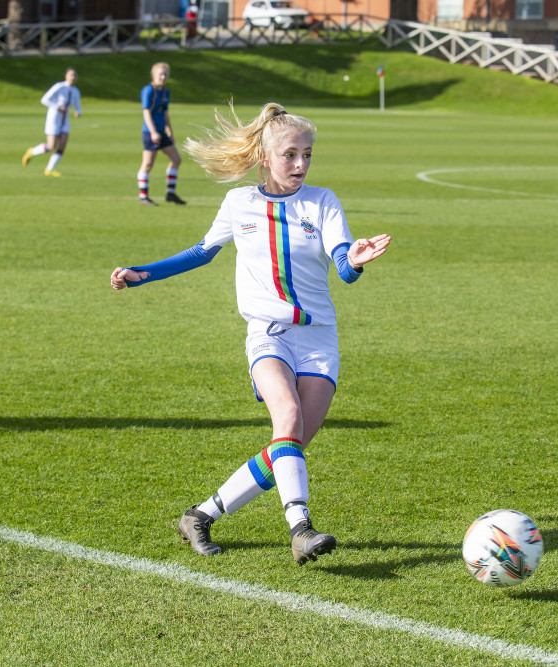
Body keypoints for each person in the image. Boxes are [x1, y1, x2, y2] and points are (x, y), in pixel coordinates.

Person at [111, 102, 391, 565]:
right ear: (265, 156)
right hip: (268, 333)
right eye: (290, 155)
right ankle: (300, 527)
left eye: (307, 155)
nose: (300, 164)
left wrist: (356, 260)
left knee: (291, 443)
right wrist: (144, 273)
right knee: (287, 419)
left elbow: (344, 267)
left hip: (319, 338)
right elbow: (201, 253)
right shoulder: (240, 203)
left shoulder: (323, 202)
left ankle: (199, 516)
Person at [138, 62, 186, 206]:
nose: (163, 77)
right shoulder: (148, 90)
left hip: (162, 132)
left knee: (176, 159)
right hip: (150, 132)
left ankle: (170, 193)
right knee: (147, 164)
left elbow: (165, 112)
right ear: (154, 75)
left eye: (165, 74)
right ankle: (143, 196)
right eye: (160, 74)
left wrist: (169, 130)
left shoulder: (165, 92)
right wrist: (153, 132)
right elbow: (146, 112)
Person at [22, 67, 82, 177]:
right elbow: (44, 100)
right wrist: (57, 107)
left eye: (75, 75)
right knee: (51, 146)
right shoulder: (59, 87)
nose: (73, 77)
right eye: (71, 75)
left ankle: (49, 169)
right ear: (66, 76)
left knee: (62, 145)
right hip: (54, 118)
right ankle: (32, 152)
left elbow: (78, 105)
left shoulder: (76, 91)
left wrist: (78, 112)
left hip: (65, 120)